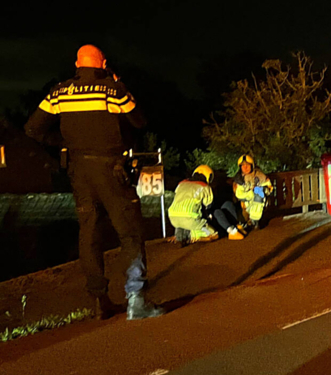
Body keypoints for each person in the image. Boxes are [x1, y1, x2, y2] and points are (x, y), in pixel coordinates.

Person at [24, 44, 162, 320]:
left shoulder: (60, 92)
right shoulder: (112, 90)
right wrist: (119, 83)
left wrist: (62, 143)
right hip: (111, 170)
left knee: (89, 234)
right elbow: (139, 121)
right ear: (104, 64)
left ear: (77, 64)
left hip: (79, 172)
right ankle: (136, 299)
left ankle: (100, 301)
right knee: (130, 232)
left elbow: (32, 129)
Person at [168, 165, 246, 245]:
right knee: (214, 234)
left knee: (183, 221)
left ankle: (180, 236)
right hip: (192, 219)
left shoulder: (181, 184)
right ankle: (192, 236)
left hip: (173, 218)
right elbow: (208, 206)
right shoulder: (204, 187)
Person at [233, 154, 273, 231]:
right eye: (243, 165)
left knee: (259, 196)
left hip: (261, 202)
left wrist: (264, 190)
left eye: (247, 165)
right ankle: (251, 221)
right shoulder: (239, 179)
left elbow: (269, 187)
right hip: (247, 204)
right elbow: (238, 194)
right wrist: (250, 194)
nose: (245, 167)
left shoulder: (260, 175)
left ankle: (255, 221)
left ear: (252, 165)